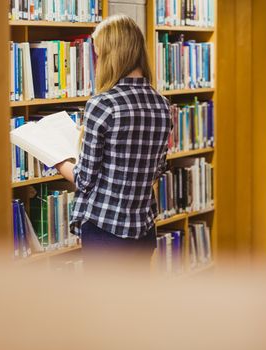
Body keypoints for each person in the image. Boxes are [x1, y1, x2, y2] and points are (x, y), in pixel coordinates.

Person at [55, 15, 171, 267]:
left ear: (111, 55)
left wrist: (58, 161)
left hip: (106, 232)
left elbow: (85, 179)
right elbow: (159, 168)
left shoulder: (103, 104)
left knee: (104, 306)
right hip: (143, 231)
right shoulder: (162, 105)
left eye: (98, 54)